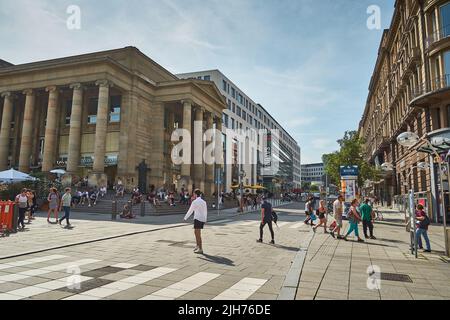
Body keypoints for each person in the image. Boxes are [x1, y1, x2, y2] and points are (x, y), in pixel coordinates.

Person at [184, 189, 208, 254]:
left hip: (197, 219)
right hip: (202, 219)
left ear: (195, 194)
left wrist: (185, 218)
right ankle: (197, 245)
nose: (193, 195)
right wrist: (205, 219)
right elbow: (205, 211)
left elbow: (190, 210)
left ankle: (200, 248)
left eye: (193, 194)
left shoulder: (195, 202)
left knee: (198, 234)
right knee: (196, 233)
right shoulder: (204, 202)